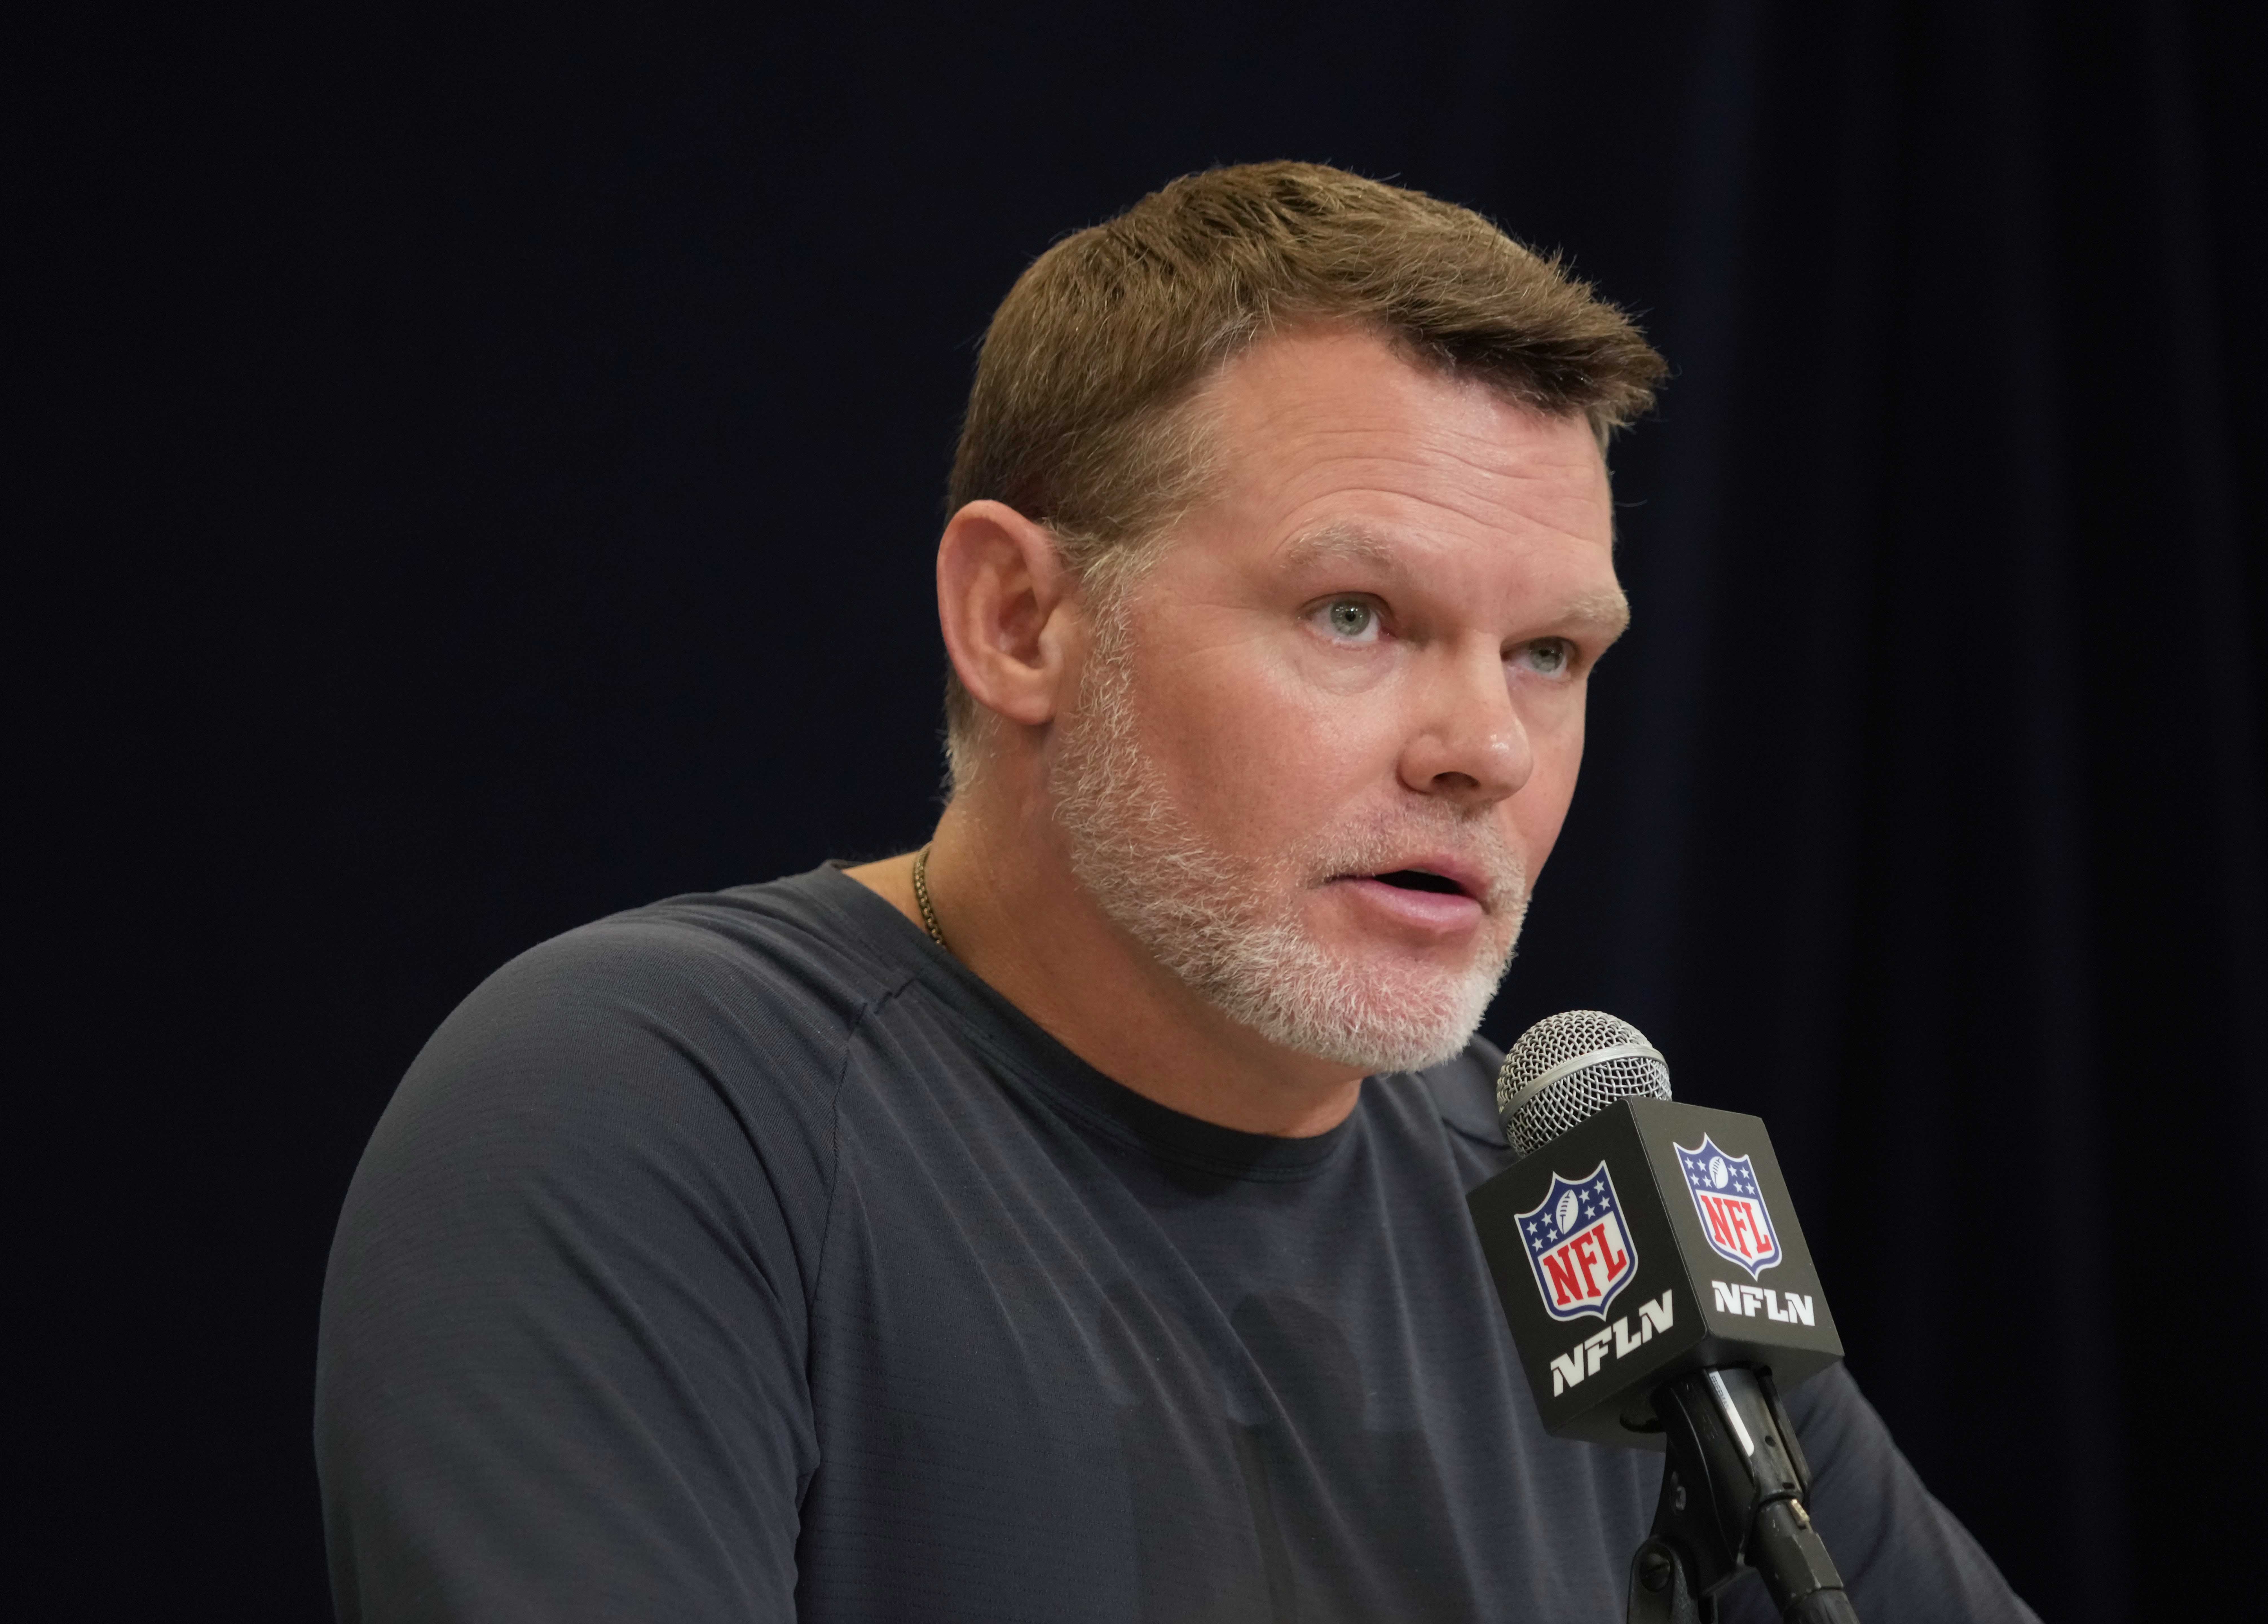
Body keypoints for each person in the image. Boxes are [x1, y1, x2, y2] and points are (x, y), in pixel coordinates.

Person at [317, 162, 2037, 1622]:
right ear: (1020, 621)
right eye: (1357, 616)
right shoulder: (641, 1111)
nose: (1487, 749)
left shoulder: (1593, 1223)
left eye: (1550, 653)